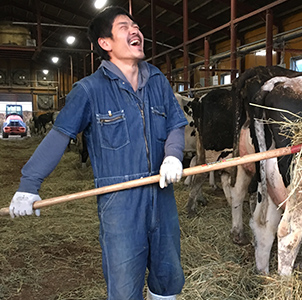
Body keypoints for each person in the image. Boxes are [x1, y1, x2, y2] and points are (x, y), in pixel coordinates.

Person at [9, 6, 187, 300]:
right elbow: (59, 136)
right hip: (120, 203)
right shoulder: (89, 90)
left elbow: (176, 125)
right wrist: (29, 185)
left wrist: (173, 155)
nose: (136, 31)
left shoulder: (157, 80)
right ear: (105, 44)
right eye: (124, 27)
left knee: (168, 276)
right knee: (124, 285)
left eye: (136, 26)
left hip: (162, 196)